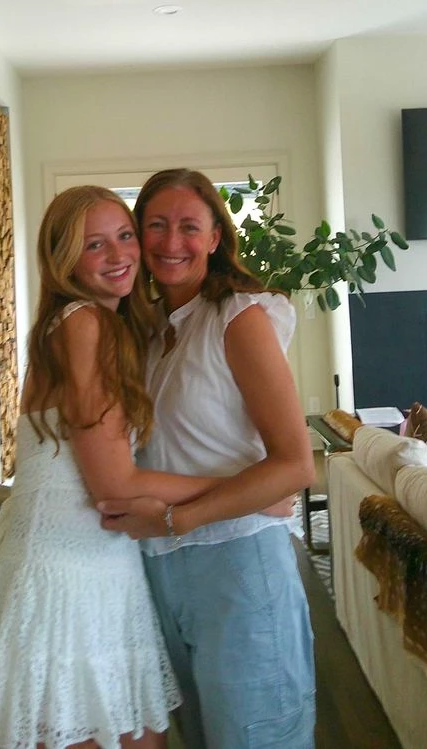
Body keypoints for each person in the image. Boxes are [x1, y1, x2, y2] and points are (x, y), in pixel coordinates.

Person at [0, 185, 225, 749]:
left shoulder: (98, 325)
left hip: (99, 566)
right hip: (63, 579)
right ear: (64, 259)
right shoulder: (83, 323)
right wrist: (244, 487)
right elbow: (115, 483)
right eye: (95, 244)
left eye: (124, 236)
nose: (119, 255)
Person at [98, 168, 317, 749]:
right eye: (156, 225)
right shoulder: (149, 330)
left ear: (216, 237)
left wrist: (177, 518)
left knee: (256, 737)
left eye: (189, 227)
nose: (172, 242)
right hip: (160, 569)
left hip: (238, 562)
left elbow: (296, 464)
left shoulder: (240, 317)